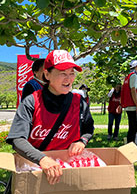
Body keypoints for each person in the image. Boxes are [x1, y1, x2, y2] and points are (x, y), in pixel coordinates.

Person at [7, 50, 94, 185]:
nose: (69, 79)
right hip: (36, 168)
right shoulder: (31, 102)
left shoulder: (79, 102)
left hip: (67, 170)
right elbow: (17, 138)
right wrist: (43, 159)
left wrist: (82, 141)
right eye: (62, 73)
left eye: (72, 73)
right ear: (47, 74)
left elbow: (88, 128)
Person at [121, 60, 137, 144]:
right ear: (136, 67)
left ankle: (129, 148)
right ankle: (134, 149)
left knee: (131, 129)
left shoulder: (127, 77)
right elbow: (133, 90)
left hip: (128, 106)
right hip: (133, 106)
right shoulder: (134, 76)